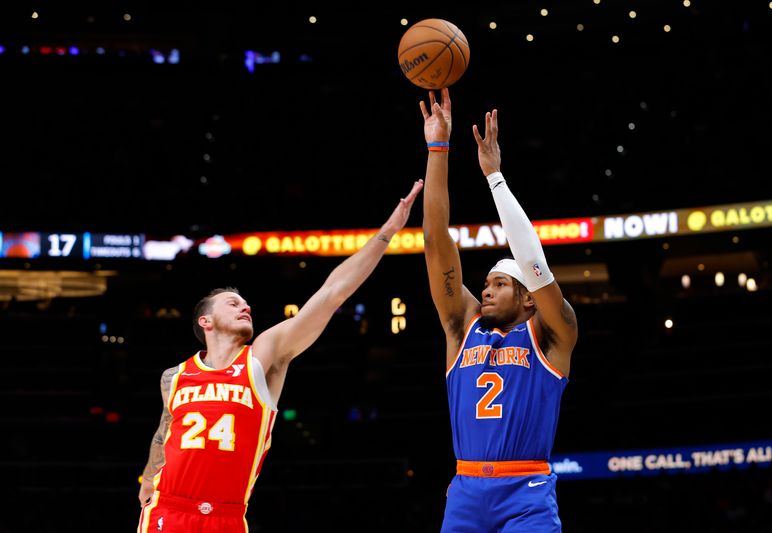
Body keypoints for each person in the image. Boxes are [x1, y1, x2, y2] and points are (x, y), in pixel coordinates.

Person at [136, 179, 423, 533]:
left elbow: (331, 294)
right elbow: (164, 432)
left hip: (227, 515)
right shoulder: (175, 375)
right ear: (205, 321)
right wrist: (148, 480)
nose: (246, 307)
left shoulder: (261, 358)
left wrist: (387, 232)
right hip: (169, 509)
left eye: (246, 304)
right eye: (233, 303)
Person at [420, 87, 578, 532]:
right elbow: (436, 242)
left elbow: (535, 264)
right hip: (466, 491)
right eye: (486, 284)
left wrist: (495, 178)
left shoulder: (553, 333)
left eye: (500, 284)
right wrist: (438, 148)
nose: (486, 291)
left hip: (526, 492)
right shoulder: (462, 327)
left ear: (528, 297)